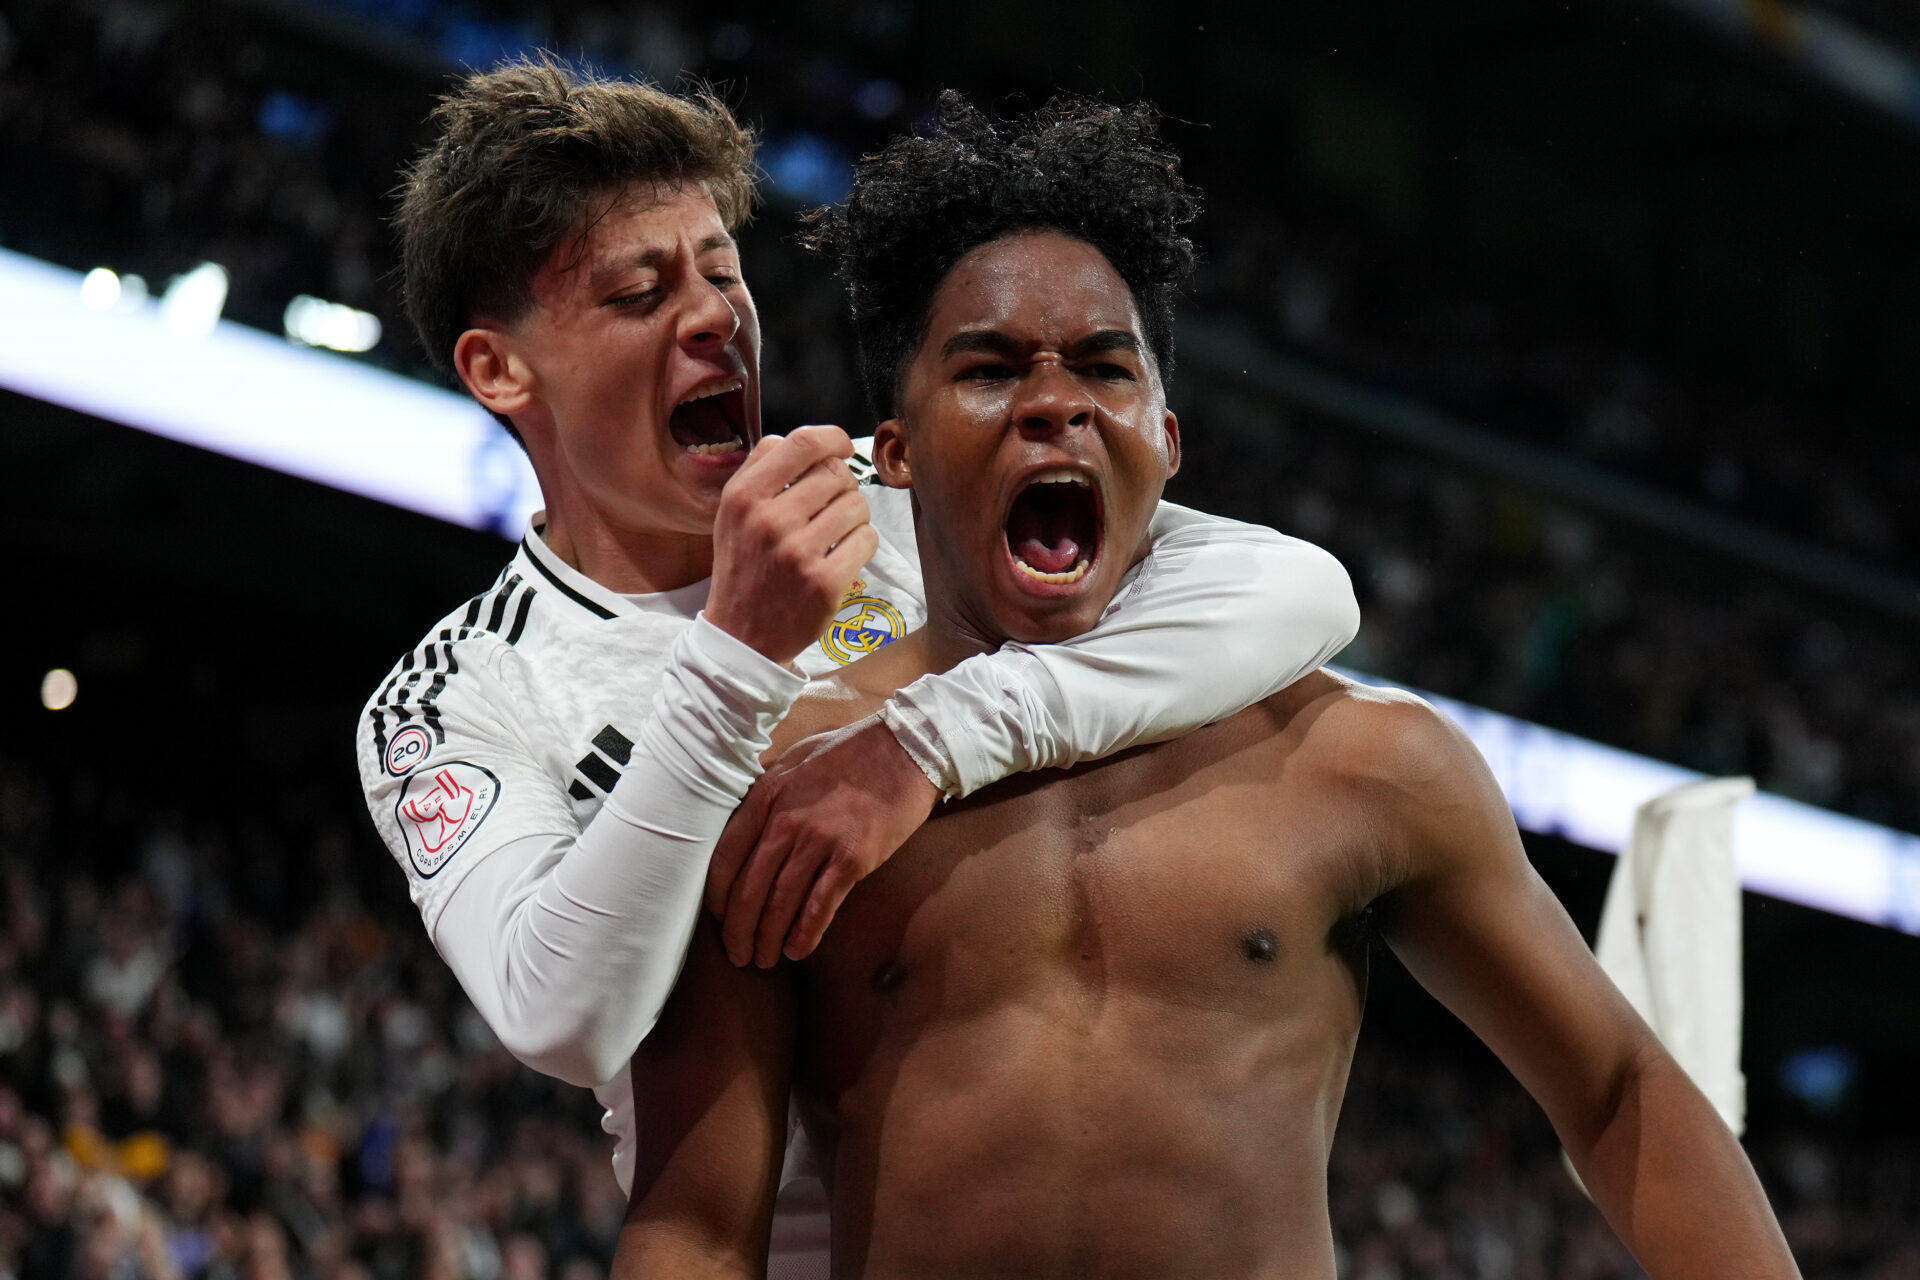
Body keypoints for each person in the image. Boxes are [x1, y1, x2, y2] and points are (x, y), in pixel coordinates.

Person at [613, 95, 1801, 1278]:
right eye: (989, 368)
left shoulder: (1366, 763)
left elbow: (1616, 1086)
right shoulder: (783, 783)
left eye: (1102, 367)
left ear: (1165, 442)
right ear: (900, 454)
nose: (1054, 401)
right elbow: (698, 1227)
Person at [352, 59, 1358, 1197]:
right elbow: (560, 1012)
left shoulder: (899, 501)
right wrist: (732, 661)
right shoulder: (455, 693)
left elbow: (1302, 589)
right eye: (640, 295)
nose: (711, 319)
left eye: (724, 275)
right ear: (499, 367)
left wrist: (929, 738)